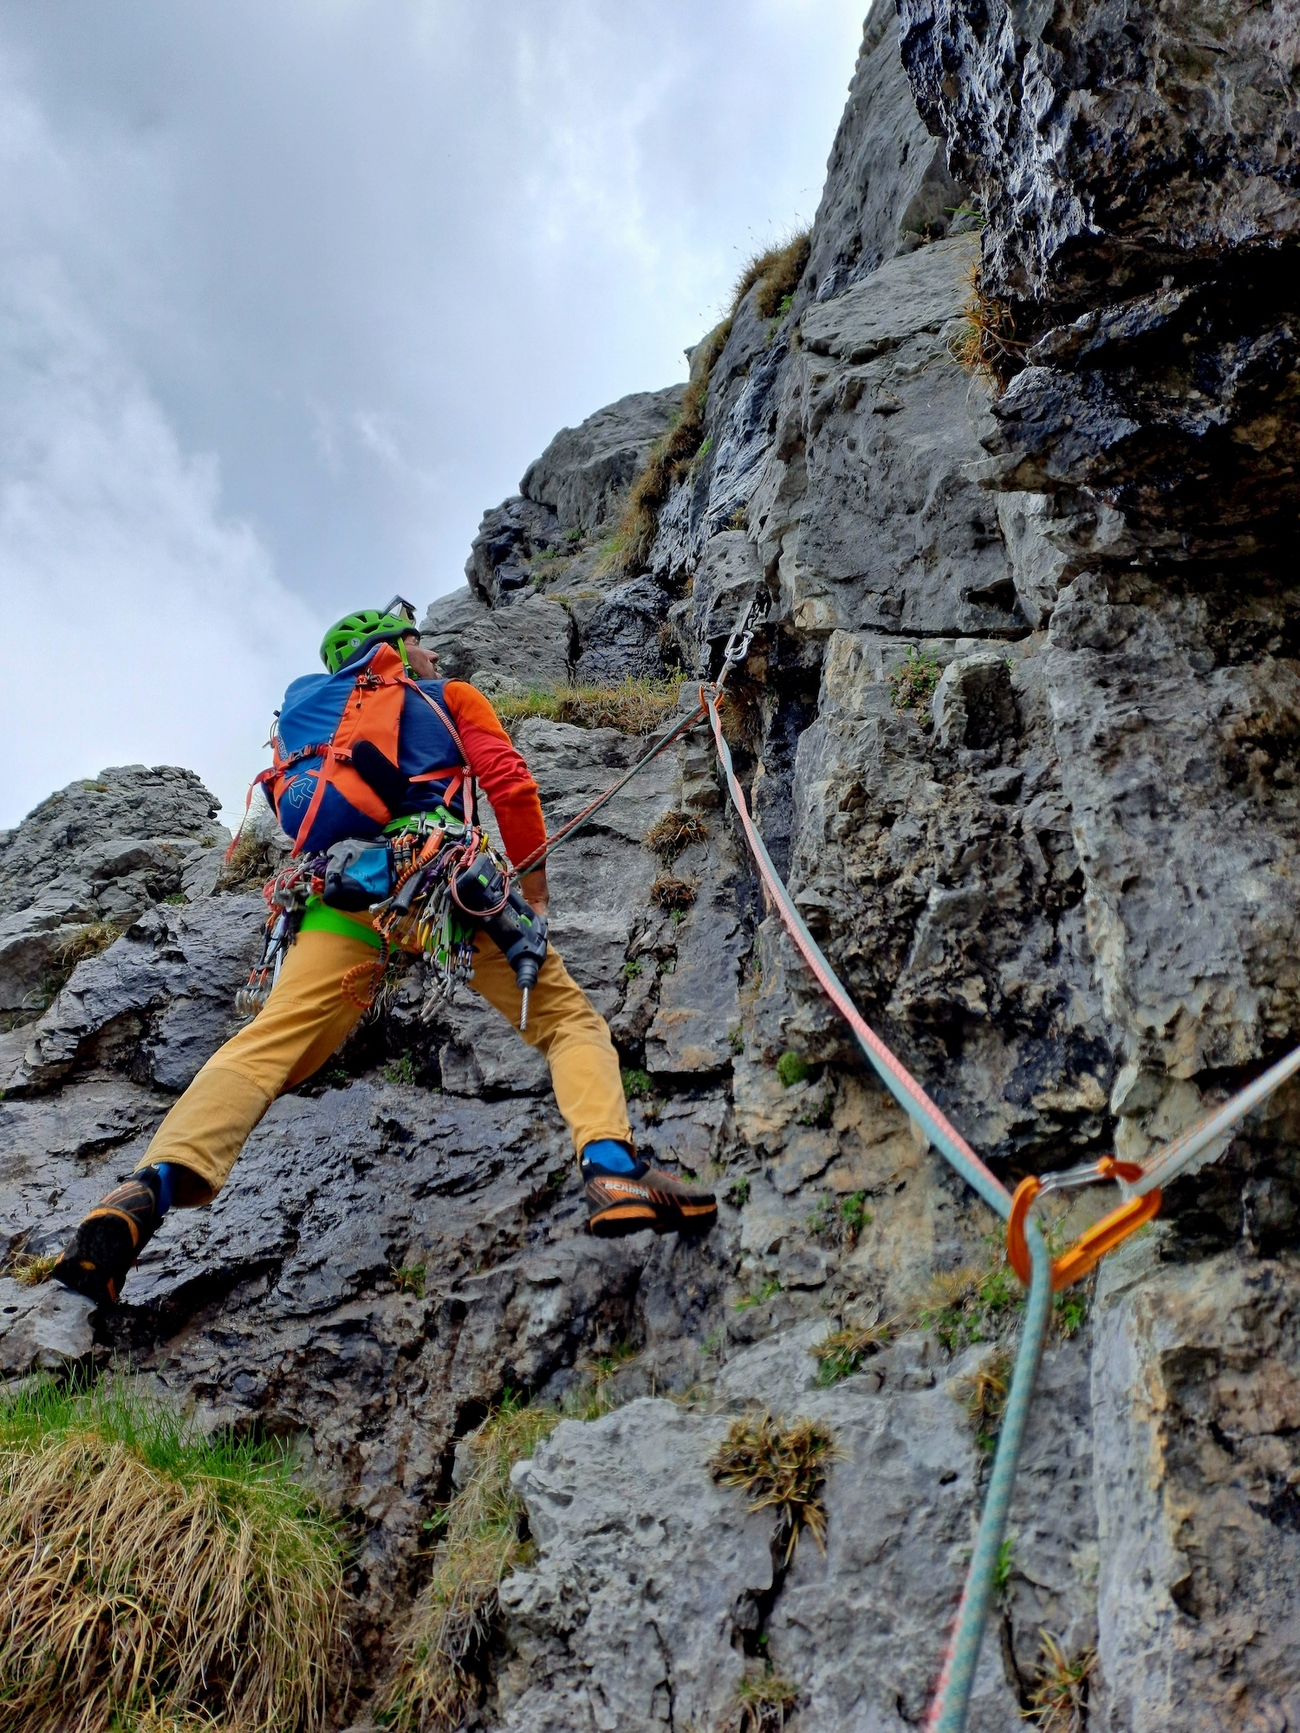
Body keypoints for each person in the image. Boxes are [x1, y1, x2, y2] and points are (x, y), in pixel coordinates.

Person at [53, 605, 715, 1306]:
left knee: (266, 1047)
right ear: (396, 647)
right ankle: (613, 1167)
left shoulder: (320, 727)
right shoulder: (446, 696)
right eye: (420, 646)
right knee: (566, 1022)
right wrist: (537, 893)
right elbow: (510, 782)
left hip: (340, 895)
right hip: (439, 883)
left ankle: (143, 1191)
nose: (431, 655)